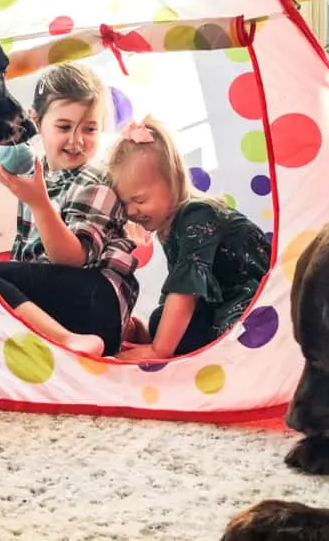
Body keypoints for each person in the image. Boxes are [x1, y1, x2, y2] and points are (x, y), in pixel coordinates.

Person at [0, 63, 138, 358]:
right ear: (37, 122)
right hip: (72, 301)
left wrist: (39, 204)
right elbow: (28, 258)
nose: (76, 140)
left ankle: (68, 339)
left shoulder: (96, 179)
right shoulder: (39, 175)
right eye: (64, 127)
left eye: (90, 129)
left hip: (96, 300)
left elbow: (73, 258)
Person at [106, 117, 271, 361]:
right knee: (161, 319)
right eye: (125, 203)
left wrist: (158, 350)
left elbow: (186, 289)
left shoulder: (195, 214)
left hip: (254, 297)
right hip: (217, 303)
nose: (130, 212)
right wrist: (154, 333)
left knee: (231, 333)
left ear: (173, 181)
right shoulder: (169, 227)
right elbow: (179, 289)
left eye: (139, 200)